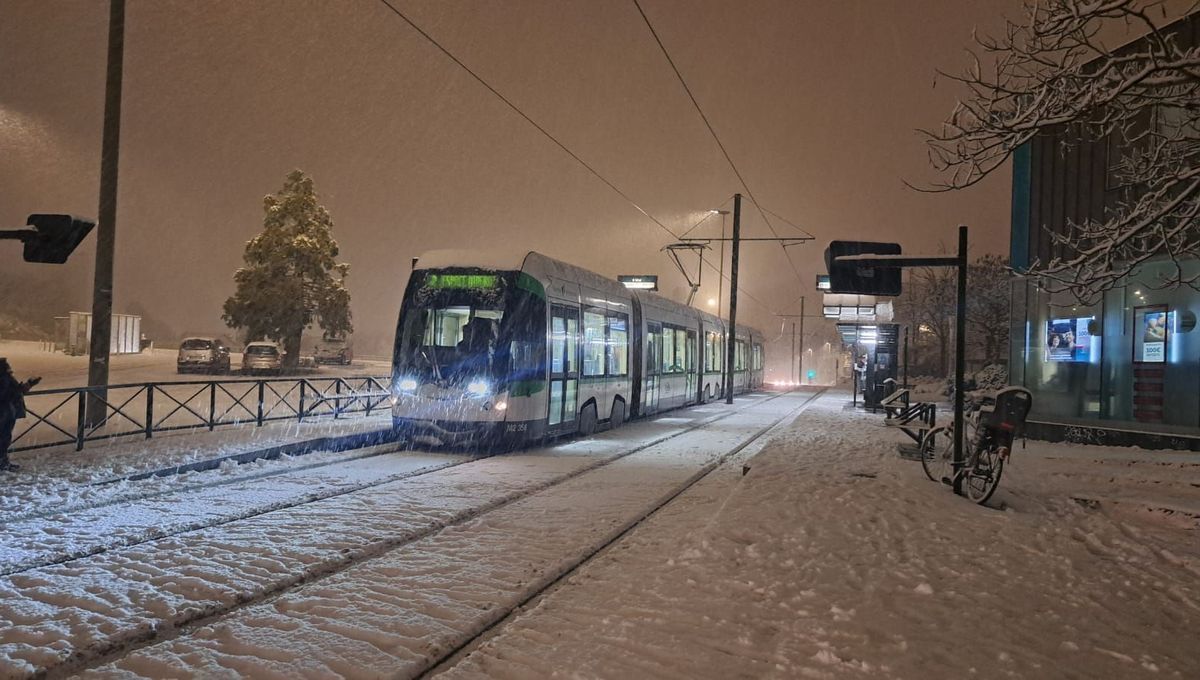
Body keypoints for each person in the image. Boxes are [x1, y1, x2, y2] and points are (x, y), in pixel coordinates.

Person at [0, 358, 41, 472]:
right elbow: (8, 394)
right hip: (5, 412)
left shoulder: (5, 378)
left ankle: (3, 461)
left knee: (4, 438)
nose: (10, 368)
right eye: (7, 365)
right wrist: (25, 387)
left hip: (7, 411)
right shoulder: (4, 378)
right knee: (4, 438)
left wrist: (28, 385)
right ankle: (2, 462)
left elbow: (15, 391)